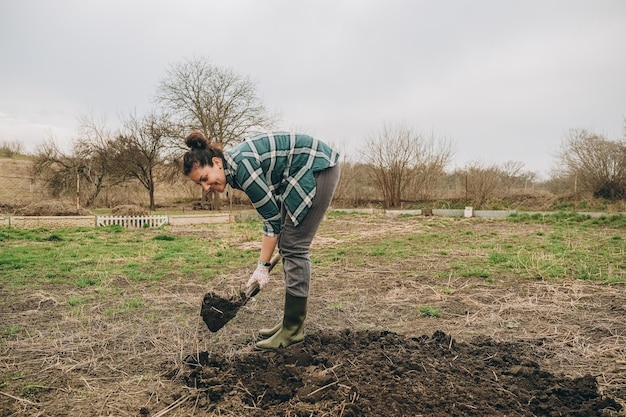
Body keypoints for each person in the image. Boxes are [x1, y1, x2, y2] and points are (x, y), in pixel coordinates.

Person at [183, 131, 340, 350]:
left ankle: (293, 330)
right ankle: (290, 323)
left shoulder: (242, 167)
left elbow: (271, 221)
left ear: (217, 163)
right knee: (288, 243)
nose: (206, 188)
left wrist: (262, 267)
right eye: (201, 185)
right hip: (296, 174)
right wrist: (265, 261)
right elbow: (273, 209)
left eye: (205, 179)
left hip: (315, 168)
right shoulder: (233, 171)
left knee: (294, 247)